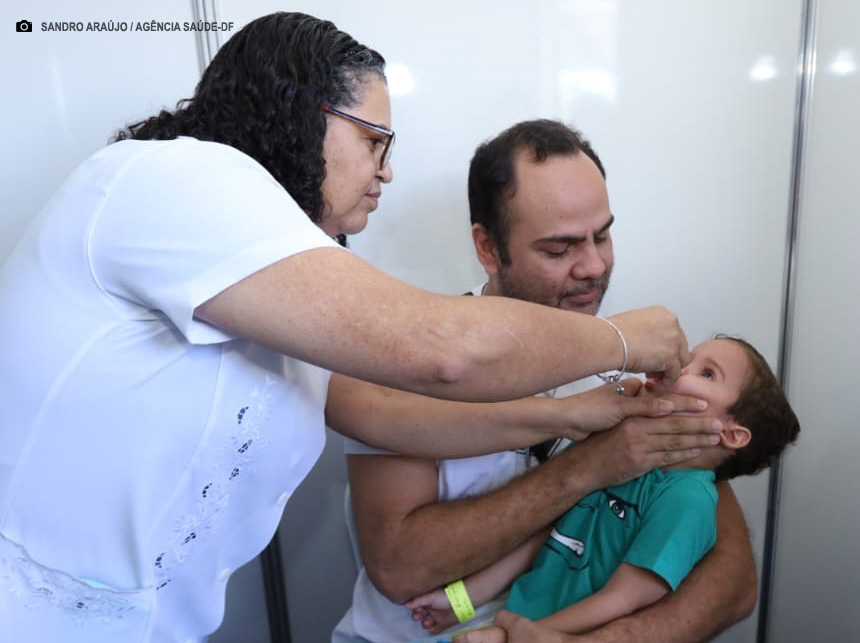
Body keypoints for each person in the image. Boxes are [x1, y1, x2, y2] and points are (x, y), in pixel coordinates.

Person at [0, 14, 701, 643]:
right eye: (373, 140)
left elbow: (385, 413)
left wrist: (580, 412)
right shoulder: (177, 176)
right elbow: (442, 354)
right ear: (300, 115)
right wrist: (622, 338)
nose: (386, 170)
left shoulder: (277, 283)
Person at [331, 120, 757, 643]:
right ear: (488, 249)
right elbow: (400, 569)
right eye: (559, 250)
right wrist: (591, 467)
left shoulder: (636, 361)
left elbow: (733, 576)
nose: (594, 265)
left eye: (602, 235)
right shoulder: (414, 362)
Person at [407, 336, 801, 641]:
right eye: (691, 358)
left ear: (731, 434)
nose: (680, 366)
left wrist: (516, 635)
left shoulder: (688, 502)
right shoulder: (626, 459)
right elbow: (549, 536)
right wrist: (460, 601)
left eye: (707, 373)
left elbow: (623, 599)